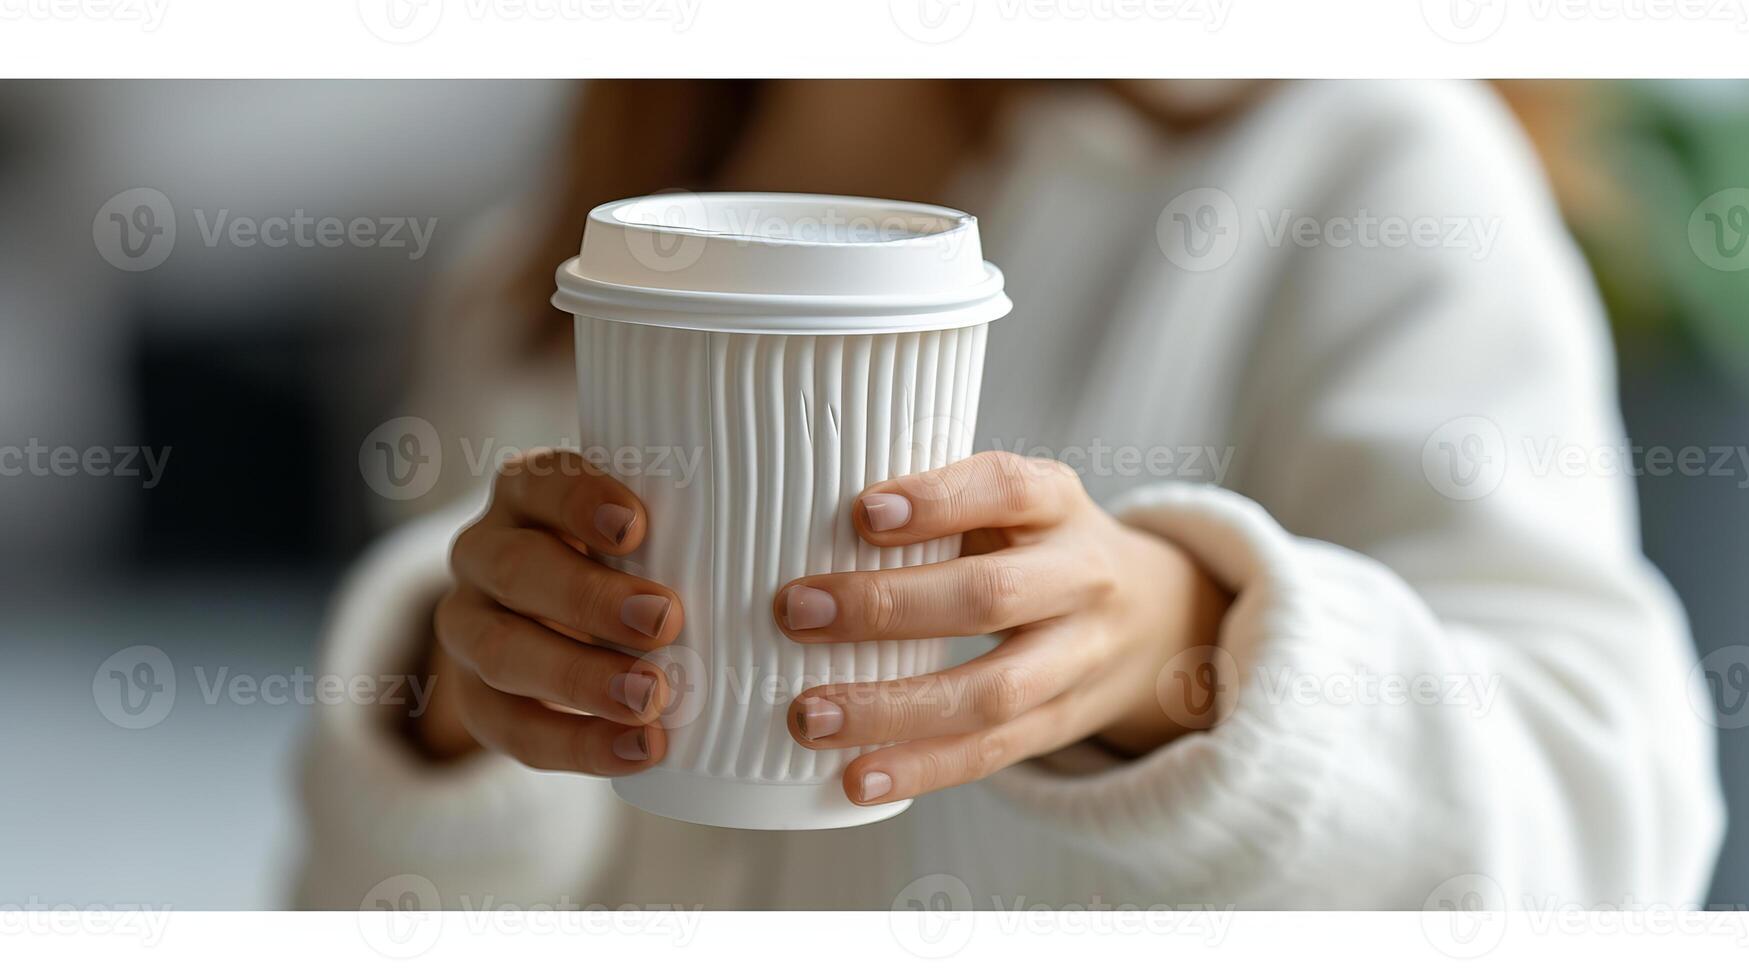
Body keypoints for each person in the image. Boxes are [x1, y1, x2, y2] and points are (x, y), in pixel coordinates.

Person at [296, 80, 1724, 910]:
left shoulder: (1366, 164)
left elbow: (1614, 818)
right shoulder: (532, 278)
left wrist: (1181, 650)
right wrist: (450, 716)